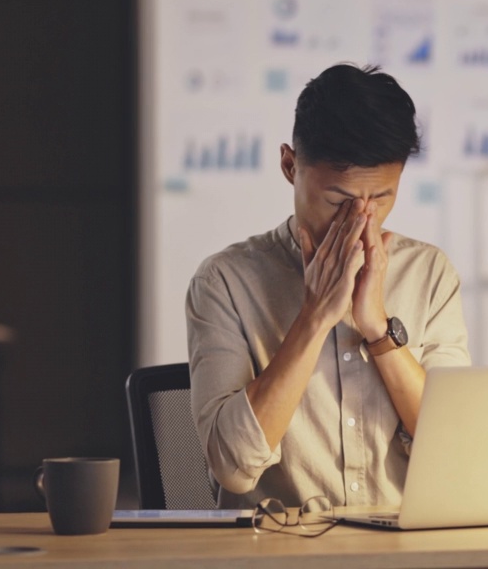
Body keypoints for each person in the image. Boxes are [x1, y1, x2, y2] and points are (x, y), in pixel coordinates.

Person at [187, 64, 471, 509]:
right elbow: (233, 467)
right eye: (338, 201)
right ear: (289, 165)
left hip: (402, 551)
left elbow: (457, 452)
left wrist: (379, 330)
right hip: (280, 553)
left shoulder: (429, 273)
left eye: (381, 199)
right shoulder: (224, 282)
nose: (361, 222)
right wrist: (315, 316)